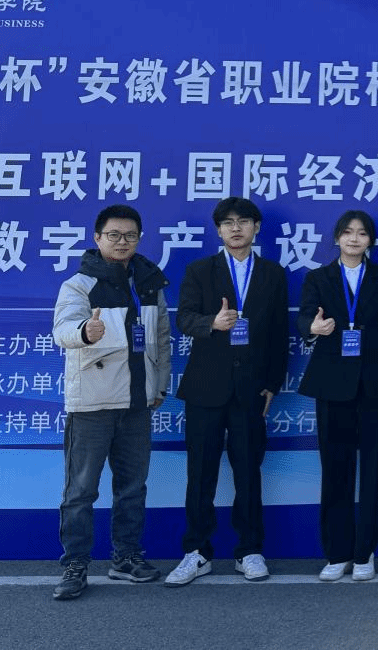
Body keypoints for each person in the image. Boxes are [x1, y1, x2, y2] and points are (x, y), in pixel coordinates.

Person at [50, 205, 170, 600]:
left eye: (130, 235)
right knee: (81, 491)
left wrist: (159, 385)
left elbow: (161, 339)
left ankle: (126, 558)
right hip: (93, 403)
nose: (122, 242)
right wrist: (86, 331)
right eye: (114, 235)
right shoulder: (79, 285)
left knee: (132, 488)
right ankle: (75, 564)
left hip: (137, 403)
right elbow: (63, 329)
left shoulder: (148, 282)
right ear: (98, 238)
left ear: (139, 238)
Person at [168, 197, 289, 587]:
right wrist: (212, 323)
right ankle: (196, 552)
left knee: (248, 472)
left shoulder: (272, 273)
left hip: (251, 389)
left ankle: (249, 550)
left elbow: (279, 334)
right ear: (218, 230)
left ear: (256, 227)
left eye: (244, 221)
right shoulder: (200, 270)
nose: (236, 228)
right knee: (200, 474)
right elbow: (184, 319)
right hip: (206, 387)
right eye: (228, 223)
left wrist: (272, 384)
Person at [298, 210, 378, 582]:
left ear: (370, 241)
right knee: (335, 470)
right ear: (336, 238)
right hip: (333, 384)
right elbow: (303, 319)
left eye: (362, 233)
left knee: (375, 469)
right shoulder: (318, 277)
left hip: (377, 385)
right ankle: (338, 552)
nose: (354, 239)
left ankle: (365, 552)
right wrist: (313, 328)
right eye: (347, 232)